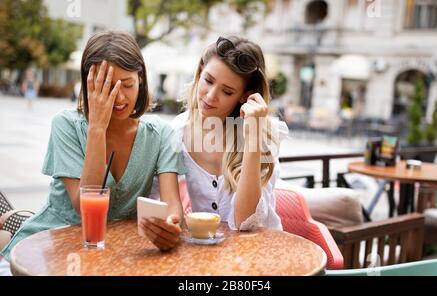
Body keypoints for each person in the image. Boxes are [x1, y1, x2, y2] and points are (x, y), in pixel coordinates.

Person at [0, 31, 186, 269]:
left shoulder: (161, 134)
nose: (118, 97)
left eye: (127, 85)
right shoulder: (65, 125)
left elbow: (172, 203)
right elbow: (84, 206)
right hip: (52, 244)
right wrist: (97, 128)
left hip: (116, 252)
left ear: (140, 78)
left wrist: (171, 225)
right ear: (88, 85)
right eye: (106, 87)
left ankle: (10, 217)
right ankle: (13, 219)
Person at [148, 36, 289, 234]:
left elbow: (245, 223)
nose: (211, 95)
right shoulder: (178, 131)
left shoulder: (263, 133)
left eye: (227, 91)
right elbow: (157, 201)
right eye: (208, 80)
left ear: (244, 95)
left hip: (258, 251)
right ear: (200, 71)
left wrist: (253, 140)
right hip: (207, 252)